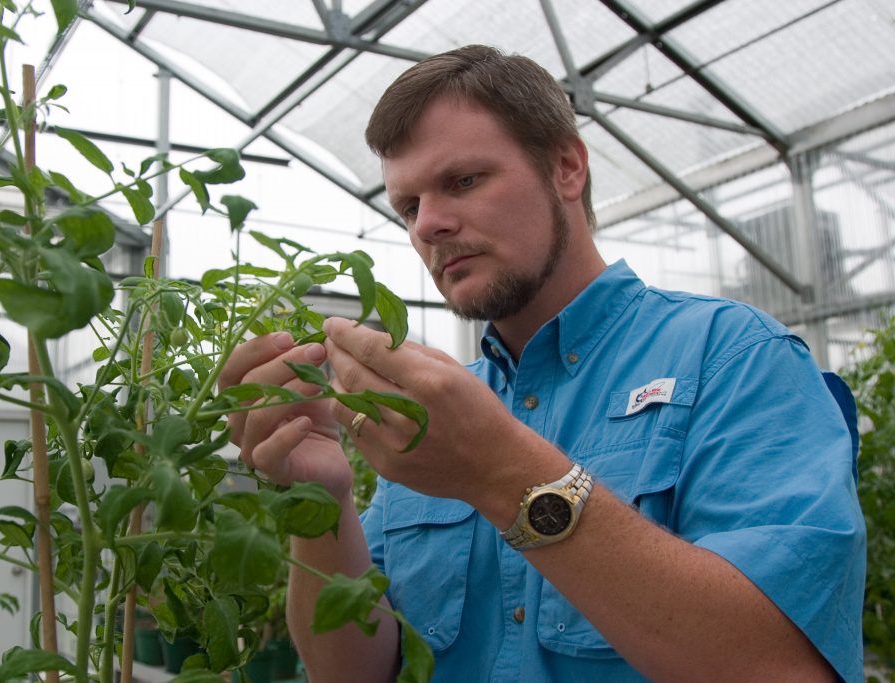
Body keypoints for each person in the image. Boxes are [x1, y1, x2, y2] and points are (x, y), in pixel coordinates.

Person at [219, 45, 866, 682]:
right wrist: (322, 496)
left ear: (566, 169)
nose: (429, 225)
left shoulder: (731, 356)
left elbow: (781, 664)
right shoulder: (436, 414)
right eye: (409, 207)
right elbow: (357, 671)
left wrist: (499, 471)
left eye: (463, 181)